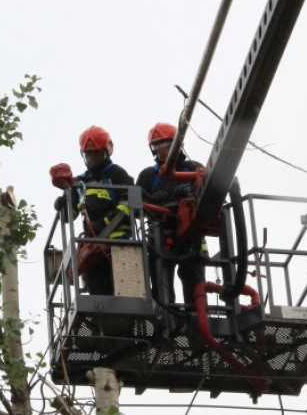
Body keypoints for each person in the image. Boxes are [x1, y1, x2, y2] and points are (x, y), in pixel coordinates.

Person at [54, 125, 134, 296]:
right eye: (89, 155)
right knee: (98, 294)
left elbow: (129, 202)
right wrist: (64, 205)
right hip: (94, 248)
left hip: (121, 244)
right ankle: (102, 321)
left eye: (96, 153)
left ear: (106, 151)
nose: (93, 158)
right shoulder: (80, 182)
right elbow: (71, 215)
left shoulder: (117, 174)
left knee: (126, 292)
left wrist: (108, 221)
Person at [136, 122, 207, 308]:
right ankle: (167, 317)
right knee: (161, 287)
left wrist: (189, 190)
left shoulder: (194, 168)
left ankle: (195, 319)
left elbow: (210, 195)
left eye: (165, 144)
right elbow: (136, 205)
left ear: (177, 143)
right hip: (161, 238)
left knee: (195, 283)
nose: (161, 150)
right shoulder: (148, 176)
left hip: (191, 238)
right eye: (157, 147)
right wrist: (152, 200)